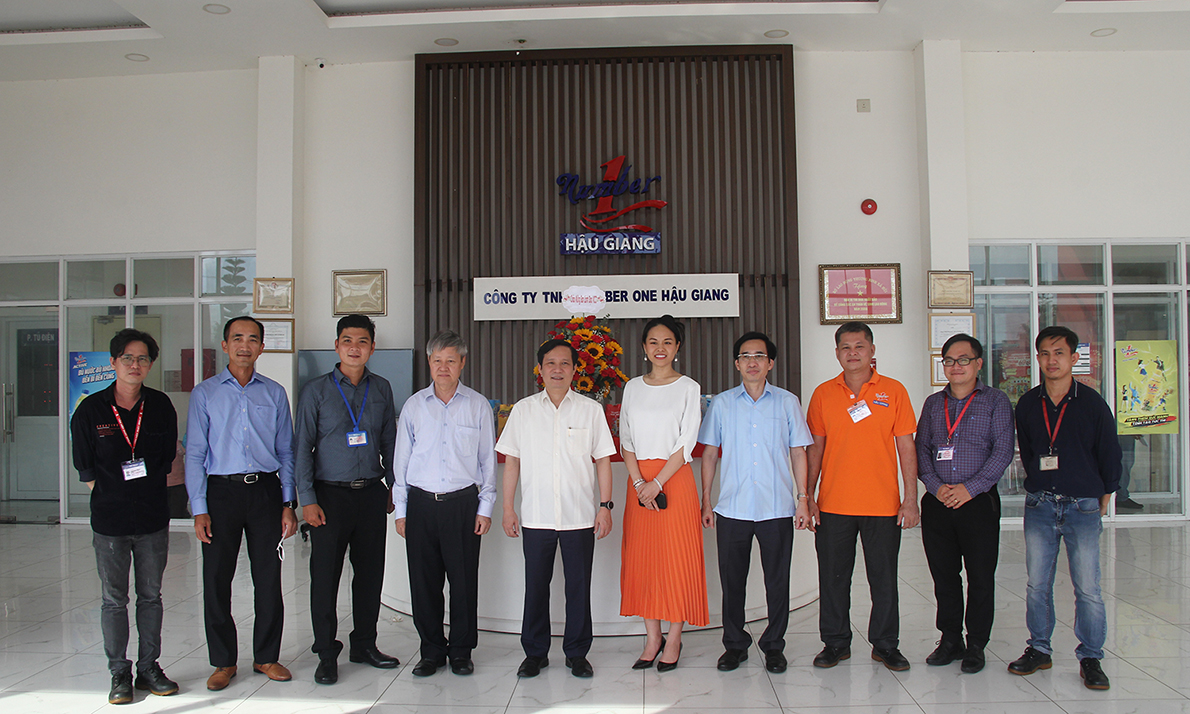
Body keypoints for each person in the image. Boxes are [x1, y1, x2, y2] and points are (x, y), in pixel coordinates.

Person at [185, 316, 298, 691]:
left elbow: (286, 451)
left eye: (252, 339)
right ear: (225, 344)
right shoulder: (205, 393)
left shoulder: (275, 393)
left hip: (265, 493)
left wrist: (288, 502)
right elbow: (195, 454)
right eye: (237, 338)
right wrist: (199, 507)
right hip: (221, 494)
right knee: (217, 579)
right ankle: (223, 661)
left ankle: (266, 656)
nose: (244, 345)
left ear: (262, 347)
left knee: (268, 579)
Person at [1008, 326, 1121, 690]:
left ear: (1074, 358)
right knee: (1036, 584)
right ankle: (1039, 648)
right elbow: (1027, 451)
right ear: (1037, 359)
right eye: (1044, 353)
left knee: (1087, 586)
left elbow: (1109, 451)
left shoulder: (1091, 402)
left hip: (1081, 505)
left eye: (1059, 353)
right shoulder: (1028, 403)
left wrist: (1106, 491)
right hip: (1040, 504)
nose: (1051, 360)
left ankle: (1091, 656)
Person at [71, 329, 179, 705]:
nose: (136, 365)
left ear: (151, 364)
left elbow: (165, 460)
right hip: (110, 523)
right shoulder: (91, 410)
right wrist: (114, 498)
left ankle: (150, 667)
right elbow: (86, 471)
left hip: (152, 519)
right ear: (114, 362)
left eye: (144, 359)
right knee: (114, 600)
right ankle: (120, 671)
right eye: (128, 358)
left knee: (151, 596)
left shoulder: (161, 405)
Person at [498, 338, 616, 679]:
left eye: (565, 363)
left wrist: (605, 507)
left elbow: (603, 462)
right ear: (540, 369)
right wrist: (508, 508)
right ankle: (535, 653)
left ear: (575, 370)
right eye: (550, 363)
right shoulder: (523, 410)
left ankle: (577, 653)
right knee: (536, 586)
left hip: (579, 516)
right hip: (536, 516)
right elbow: (512, 463)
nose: (557, 369)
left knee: (579, 587)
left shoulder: (590, 410)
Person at [698, 331, 813, 674]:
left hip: (776, 507)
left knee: (777, 581)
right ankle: (734, 645)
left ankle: (774, 646)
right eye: (746, 356)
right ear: (736, 364)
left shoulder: (787, 402)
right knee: (732, 582)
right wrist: (707, 500)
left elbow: (798, 452)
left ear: (770, 363)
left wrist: (803, 498)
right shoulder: (721, 404)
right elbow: (709, 454)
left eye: (759, 356)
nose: (752, 362)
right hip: (732, 508)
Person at [806, 321, 919, 671]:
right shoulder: (823, 394)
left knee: (883, 579)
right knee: (833, 579)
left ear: (872, 351)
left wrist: (911, 498)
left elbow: (906, 448)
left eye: (859, 346)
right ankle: (836, 643)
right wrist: (808, 496)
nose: (852, 353)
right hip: (833, 505)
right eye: (845, 347)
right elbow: (816, 450)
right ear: (837, 353)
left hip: (883, 504)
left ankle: (885, 644)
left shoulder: (894, 391)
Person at [294, 314, 399, 685]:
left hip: (371, 494)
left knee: (370, 575)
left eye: (363, 341)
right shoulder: (316, 390)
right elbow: (301, 448)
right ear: (337, 345)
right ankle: (326, 651)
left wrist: (392, 486)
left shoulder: (382, 388)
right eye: (347, 340)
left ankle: (364, 645)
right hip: (328, 497)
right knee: (325, 577)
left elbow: (390, 442)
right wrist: (306, 499)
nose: (355, 347)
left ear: (372, 347)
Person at [392, 330, 496, 678]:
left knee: (464, 583)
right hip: (421, 505)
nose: (443, 367)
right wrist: (402, 511)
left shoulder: (478, 405)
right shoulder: (414, 406)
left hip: (463, 505)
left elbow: (487, 463)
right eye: (437, 360)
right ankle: (432, 651)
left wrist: (485, 509)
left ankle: (462, 651)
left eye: (451, 360)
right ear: (429, 363)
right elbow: (401, 464)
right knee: (424, 583)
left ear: (462, 363)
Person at [914, 333, 1015, 674]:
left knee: (981, 577)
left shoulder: (996, 401)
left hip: (978, 503)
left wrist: (970, 489)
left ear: (978, 363)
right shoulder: (932, 404)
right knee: (944, 576)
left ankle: (976, 644)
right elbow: (922, 450)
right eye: (949, 361)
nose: (955, 367)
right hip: (939, 502)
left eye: (963, 360)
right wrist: (935, 485)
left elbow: (1002, 452)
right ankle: (950, 638)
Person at [619, 315, 708, 672]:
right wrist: (641, 484)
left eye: (667, 342)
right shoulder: (632, 388)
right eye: (653, 342)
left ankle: (674, 637)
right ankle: (651, 637)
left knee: (676, 558)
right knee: (644, 560)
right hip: (638, 482)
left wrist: (657, 483)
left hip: (674, 480)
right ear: (643, 348)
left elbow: (687, 442)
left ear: (678, 347)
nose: (660, 348)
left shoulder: (689, 387)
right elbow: (626, 440)